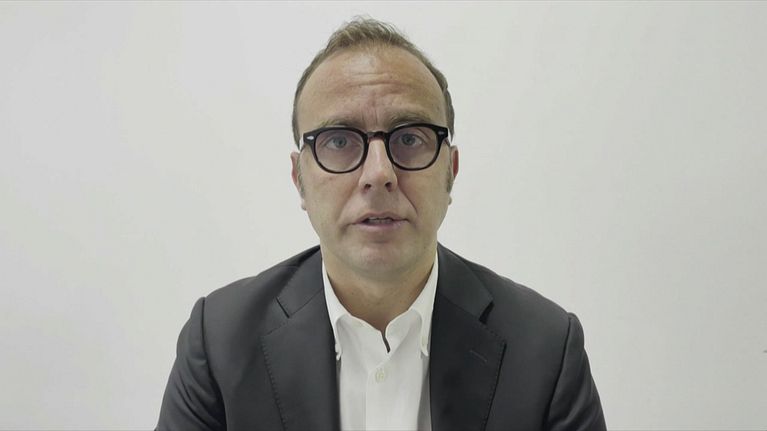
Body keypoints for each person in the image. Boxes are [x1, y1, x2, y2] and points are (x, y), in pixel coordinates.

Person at [157, 17, 606, 431]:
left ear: (450, 172)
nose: (379, 173)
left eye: (409, 138)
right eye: (338, 141)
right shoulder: (219, 343)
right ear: (299, 180)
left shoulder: (546, 349)